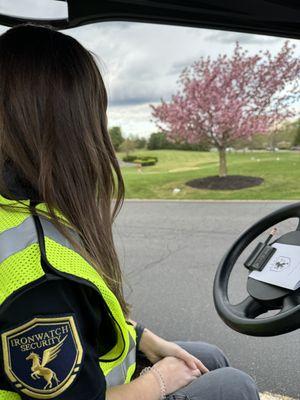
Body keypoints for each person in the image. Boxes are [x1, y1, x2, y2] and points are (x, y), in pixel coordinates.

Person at [0, 23, 261, 400]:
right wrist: (161, 379)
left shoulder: (21, 211)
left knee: (208, 357)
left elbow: (85, 316)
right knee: (234, 386)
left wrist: (145, 339)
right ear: (71, 126)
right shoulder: (37, 277)